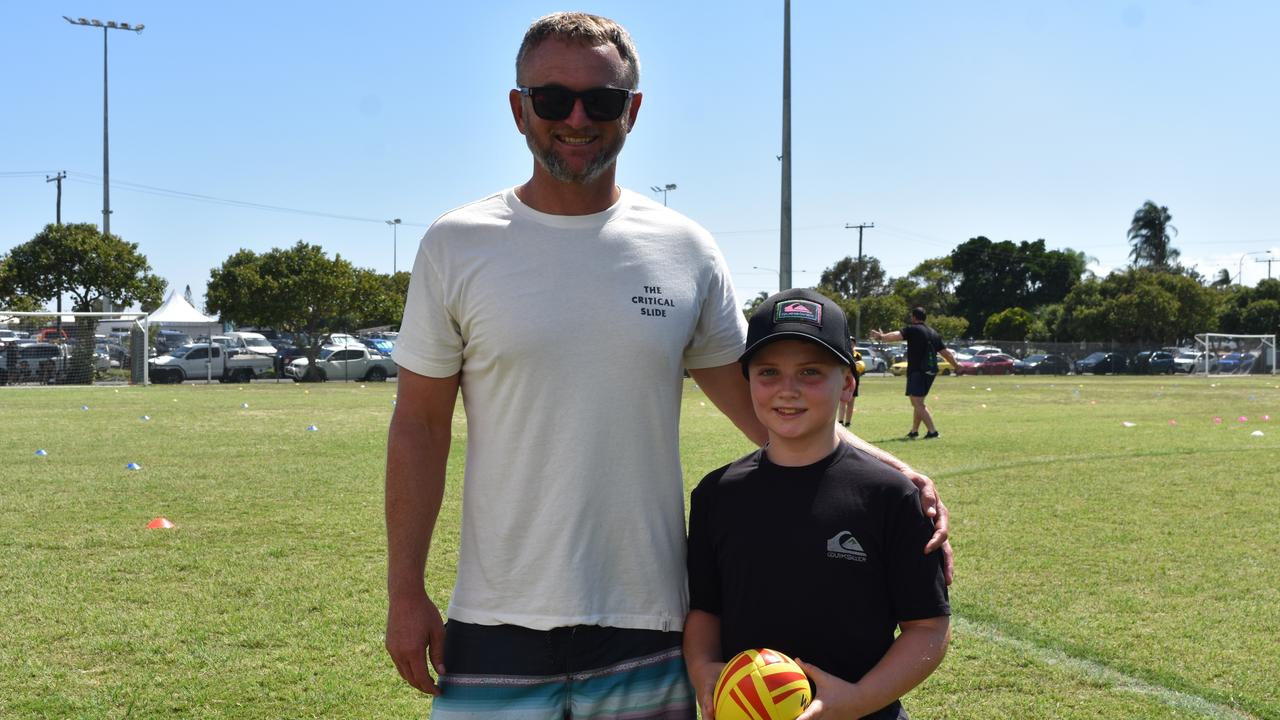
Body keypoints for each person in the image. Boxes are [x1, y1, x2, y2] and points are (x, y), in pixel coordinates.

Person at [384, 12, 951, 719]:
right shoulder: (457, 243)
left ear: (635, 110)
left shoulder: (684, 248)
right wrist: (405, 588)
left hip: (650, 617)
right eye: (554, 99)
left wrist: (895, 474)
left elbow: (764, 408)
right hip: (497, 615)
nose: (579, 117)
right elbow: (420, 425)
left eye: (604, 99)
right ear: (518, 108)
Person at [685, 289, 950, 720]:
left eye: (810, 372)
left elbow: (928, 628)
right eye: (768, 372)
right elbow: (704, 611)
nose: (787, 390)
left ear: (847, 383)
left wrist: (857, 700)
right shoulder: (717, 494)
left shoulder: (889, 495)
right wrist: (702, 669)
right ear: (747, 378)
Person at [871, 308, 957, 439]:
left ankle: (933, 432)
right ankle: (914, 431)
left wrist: (882, 337)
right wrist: (956, 365)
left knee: (917, 402)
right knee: (918, 401)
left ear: (914, 318)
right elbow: (946, 353)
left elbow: (896, 335)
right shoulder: (933, 333)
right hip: (931, 370)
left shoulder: (912, 329)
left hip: (917, 370)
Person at [838, 340, 865, 427]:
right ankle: (840, 421)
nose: (851, 344)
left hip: (854, 380)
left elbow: (861, 369)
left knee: (851, 402)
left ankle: (848, 422)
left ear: (855, 345)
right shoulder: (844, 353)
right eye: (849, 342)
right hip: (844, 380)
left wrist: (859, 368)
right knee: (842, 401)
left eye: (853, 343)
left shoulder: (857, 355)